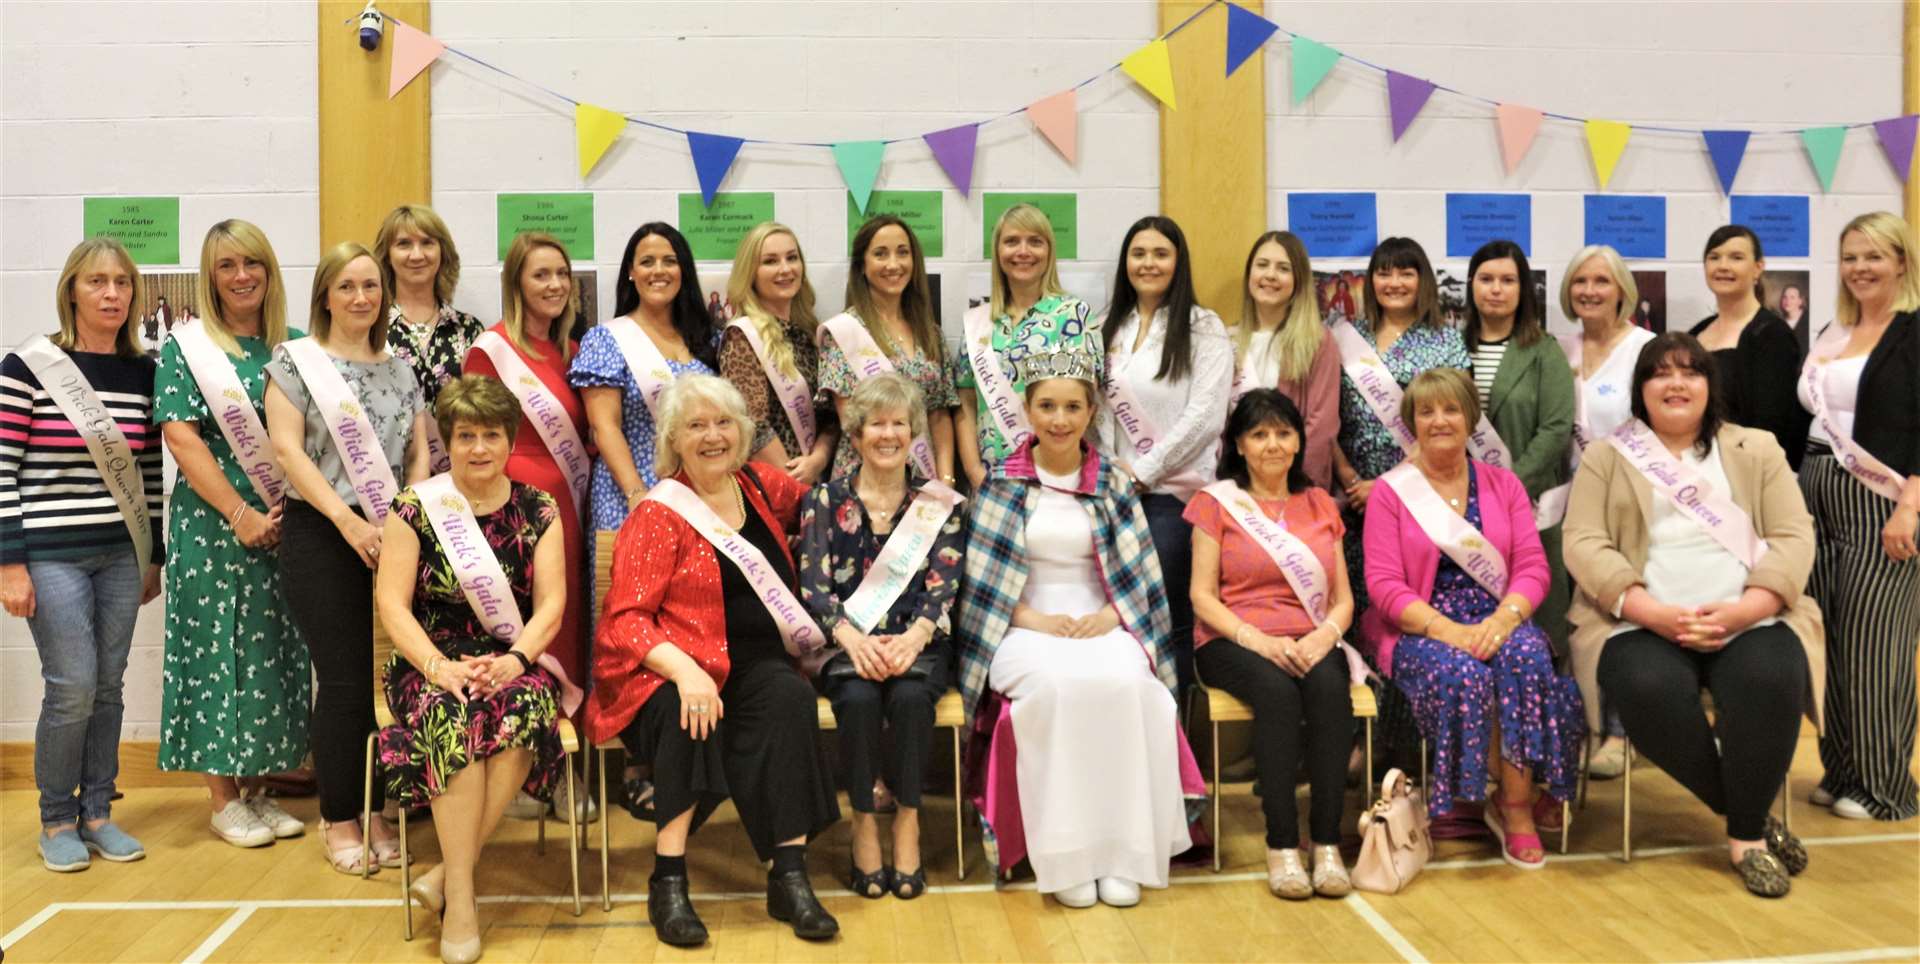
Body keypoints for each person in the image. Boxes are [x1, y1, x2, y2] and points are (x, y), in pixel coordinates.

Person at [1566, 332, 1823, 895]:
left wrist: (1744, 611)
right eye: (1661, 373)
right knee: (1646, 686)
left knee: (1771, 675)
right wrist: (1653, 612)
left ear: (1711, 385)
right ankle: (1746, 818)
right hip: (1638, 622)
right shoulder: (1609, 455)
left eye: (1691, 371)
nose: (1676, 383)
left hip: (1748, 616)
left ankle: (1745, 840)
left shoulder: (1756, 449)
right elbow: (1583, 542)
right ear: (1642, 389)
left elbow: (1793, 537)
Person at [588, 375, 840, 946]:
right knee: (689, 709)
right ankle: (669, 878)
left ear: (743, 433)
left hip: (755, 664)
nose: (712, 436)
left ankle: (789, 875)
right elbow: (626, 619)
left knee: (789, 698)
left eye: (723, 423)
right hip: (670, 667)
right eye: (696, 425)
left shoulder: (759, 486)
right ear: (674, 438)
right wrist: (684, 668)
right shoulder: (659, 513)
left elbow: (833, 509)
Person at [957, 340, 1199, 910]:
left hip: (1104, 619)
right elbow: (983, 586)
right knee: (1058, 691)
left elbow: (1139, 578)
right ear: (1028, 411)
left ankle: (1124, 853)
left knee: (1132, 689)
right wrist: (1037, 619)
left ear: (1091, 413)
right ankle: (1065, 857)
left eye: (1072, 407)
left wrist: (1108, 617)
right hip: (1023, 626)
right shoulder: (1002, 482)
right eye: (1047, 407)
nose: (1060, 420)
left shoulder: (1114, 482)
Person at [374, 375, 572, 962]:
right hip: (429, 660)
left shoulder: (538, 508)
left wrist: (514, 662)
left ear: (510, 441)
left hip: (511, 655)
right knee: (453, 721)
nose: (478, 447)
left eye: (491, 434)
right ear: (448, 441)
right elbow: (391, 604)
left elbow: (552, 605)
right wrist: (438, 668)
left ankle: (448, 878)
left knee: (522, 712)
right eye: (465, 435)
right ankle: (462, 896)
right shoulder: (415, 508)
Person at [1360, 369, 1583, 869]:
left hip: (1496, 618)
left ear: (1470, 417)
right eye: (1426, 411)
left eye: (1451, 409)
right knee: (1464, 674)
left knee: (1526, 655)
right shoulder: (1391, 493)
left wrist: (1505, 620)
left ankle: (1515, 807)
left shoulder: (1502, 484)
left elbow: (1531, 565)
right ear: (1412, 422)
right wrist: (1451, 632)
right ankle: (1494, 797)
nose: (1439, 420)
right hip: (1422, 626)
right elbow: (1384, 587)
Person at [265, 241, 433, 874]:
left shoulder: (402, 366)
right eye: (347, 287)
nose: (362, 297)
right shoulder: (296, 362)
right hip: (323, 533)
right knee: (342, 683)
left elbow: (418, 454)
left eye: (371, 286)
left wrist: (404, 521)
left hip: (394, 535)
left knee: (388, 679)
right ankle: (340, 818)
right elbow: (288, 453)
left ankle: (381, 809)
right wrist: (348, 521)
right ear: (326, 297)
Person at [2, 237, 163, 872]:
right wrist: (10, 563)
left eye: (122, 283)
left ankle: (98, 810)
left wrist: (156, 555)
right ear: (72, 289)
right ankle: (55, 819)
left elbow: (149, 471)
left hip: (121, 555)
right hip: (50, 554)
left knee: (110, 686)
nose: (112, 295)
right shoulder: (29, 366)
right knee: (72, 685)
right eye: (97, 282)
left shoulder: (143, 372)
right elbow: (4, 469)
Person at [153, 220, 308, 847]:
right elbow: (181, 437)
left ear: (269, 272)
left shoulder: (293, 346)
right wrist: (240, 516)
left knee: (271, 650)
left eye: (252, 263)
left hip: (283, 523)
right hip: (216, 524)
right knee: (219, 652)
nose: (241, 276)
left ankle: (257, 789)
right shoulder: (186, 348)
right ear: (209, 277)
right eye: (226, 266)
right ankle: (222, 799)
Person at [798, 374, 964, 900]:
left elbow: (943, 587)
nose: (888, 434)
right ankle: (864, 823)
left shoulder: (941, 505)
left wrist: (914, 638)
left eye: (898, 423)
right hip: (849, 647)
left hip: (919, 645)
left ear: (913, 430)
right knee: (860, 698)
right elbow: (814, 590)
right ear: (857, 433)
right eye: (876, 423)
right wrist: (852, 640)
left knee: (913, 699)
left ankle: (908, 822)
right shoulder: (822, 501)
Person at [1187, 389, 1356, 898]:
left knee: (1330, 693)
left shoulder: (1320, 502)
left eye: (1283, 433)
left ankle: (1326, 843)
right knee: (1278, 696)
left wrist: (1325, 635)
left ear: (1299, 440)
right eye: (1259, 434)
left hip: (1310, 636)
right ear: (1238, 444)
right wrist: (1258, 641)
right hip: (1231, 638)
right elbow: (1201, 596)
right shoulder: (1215, 504)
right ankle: (1282, 845)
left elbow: (1344, 600)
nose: (1272, 445)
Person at [462, 232, 593, 821]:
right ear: (517, 282)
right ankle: (513, 772)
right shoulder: (490, 351)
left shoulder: (572, 350)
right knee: (515, 638)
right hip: (510, 516)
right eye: (541, 275)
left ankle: (562, 774)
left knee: (563, 635)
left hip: (567, 509)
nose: (555, 285)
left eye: (562, 274)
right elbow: (476, 436)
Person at [1331, 237, 1472, 771]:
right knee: (1361, 617)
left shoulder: (1445, 342)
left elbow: (1452, 421)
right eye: (1384, 273)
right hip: (1352, 500)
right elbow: (1331, 414)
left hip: (1421, 500)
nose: (1394, 283)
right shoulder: (1347, 337)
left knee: (1408, 618)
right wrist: (1349, 478)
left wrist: (1388, 484)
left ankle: (1408, 751)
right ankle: (1359, 743)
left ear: (1423, 281)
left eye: (1406, 273)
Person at [1797, 211, 1920, 822]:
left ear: (1901, 261)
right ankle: (1840, 767)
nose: (1860, 269)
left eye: (1874, 256)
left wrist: (1910, 506)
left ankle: (1885, 785)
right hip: (1816, 492)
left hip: (1883, 501)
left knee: (1878, 645)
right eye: (1850, 257)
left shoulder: (1915, 331)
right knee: (1831, 639)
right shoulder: (1832, 331)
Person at [1095, 215, 1234, 695]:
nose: (1148, 263)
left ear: (1178, 262)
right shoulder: (1109, 325)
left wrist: (1143, 473)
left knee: (1164, 618)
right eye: (1139, 253)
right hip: (1113, 493)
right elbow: (1099, 415)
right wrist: (1112, 475)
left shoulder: (1204, 327)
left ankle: (1172, 738)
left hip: (1175, 499)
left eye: (1160, 253)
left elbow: (1205, 419)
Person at [1558, 244, 1657, 779]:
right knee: (1576, 617)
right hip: (1568, 499)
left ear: (1622, 289)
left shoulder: (1646, 349)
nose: (1590, 291)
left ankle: (1621, 732)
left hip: (1628, 499)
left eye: (1601, 281)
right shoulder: (1560, 349)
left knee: (1618, 608)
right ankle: (1581, 725)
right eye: (1580, 282)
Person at [568, 222, 718, 545]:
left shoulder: (708, 339)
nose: (658, 271)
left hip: (700, 493)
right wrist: (638, 493)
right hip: (630, 492)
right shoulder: (606, 339)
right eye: (647, 262)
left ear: (683, 271)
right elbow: (604, 426)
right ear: (631, 273)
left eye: (670, 261)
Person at [1462, 241, 1575, 653]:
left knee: (1533, 621)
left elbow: (1556, 427)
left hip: (1526, 500)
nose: (1496, 289)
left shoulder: (1544, 351)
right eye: (1486, 279)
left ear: (1523, 289)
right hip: (1458, 502)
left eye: (1507, 280)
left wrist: (1507, 485)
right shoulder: (1452, 346)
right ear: (1471, 285)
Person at [954, 202, 1095, 487]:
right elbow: (965, 403)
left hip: (1053, 478)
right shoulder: (979, 321)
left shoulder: (1073, 315)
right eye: (1011, 241)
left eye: (1035, 242)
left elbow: (1085, 403)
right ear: (998, 251)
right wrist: (973, 472)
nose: (1023, 251)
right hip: (989, 479)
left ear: (1049, 251)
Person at [817, 215, 957, 482]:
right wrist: (899, 483)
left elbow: (939, 414)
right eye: (880, 254)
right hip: (865, 480)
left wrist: (946, 478)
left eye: (902, 253)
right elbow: (852, 423)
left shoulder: (930, 333)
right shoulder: (845, 332)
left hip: (925, 479)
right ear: (862, 266)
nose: (893, 264)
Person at [718, 222, 838, 485]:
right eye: (770, 261)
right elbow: (751, 425)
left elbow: (831, 416)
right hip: (775, 486)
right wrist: (795, 484)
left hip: (820, 478)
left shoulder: (809, 334)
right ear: (751, 273)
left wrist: (817, 461)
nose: (785, 269)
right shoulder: (743, 337)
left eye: (792, 258)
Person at [1689, 226, 1810, 469]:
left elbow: (1771, 428)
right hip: (1696, 467)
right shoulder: (1695, 334)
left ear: (1758, 268)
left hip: (1747, 473)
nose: (1723, 266)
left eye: (1736, 257)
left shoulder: (1772, 335)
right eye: (1714, 257)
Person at [375, 204, 485, 472]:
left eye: (427, 243)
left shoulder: (469, 330)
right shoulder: (370, 329)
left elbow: (484, 412)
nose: (417, 254)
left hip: (457, 480)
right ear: (387, 255)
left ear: (442, 252)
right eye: (403, 244)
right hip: (386, 479)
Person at [1231, 231, 1340, 491]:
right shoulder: (1228, 341)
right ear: (1250, 274)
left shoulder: (1318, 342)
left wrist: (1291, 490)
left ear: (1298, 280)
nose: (1270, 275)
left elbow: (1320, 426)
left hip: (1294, 489)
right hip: (1238, 488)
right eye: (1262, 265)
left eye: (1283, 268)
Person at [1778, 282, 1812, 356]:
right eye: (1785, 297)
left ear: (1800, 301)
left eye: (1792, 297)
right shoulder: (1778, 323)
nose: (1787, 301)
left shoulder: (1809, 320)